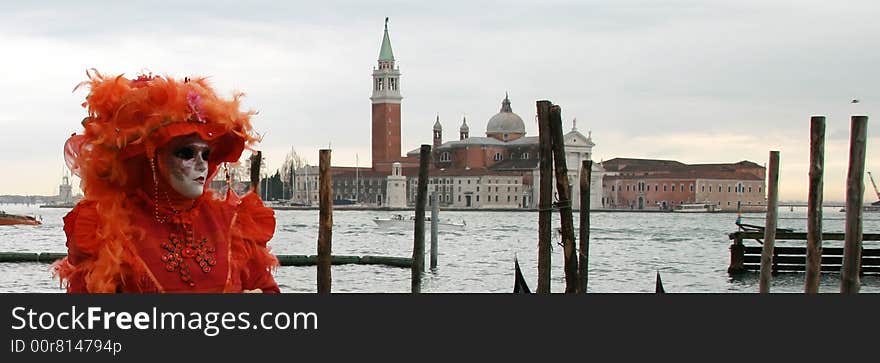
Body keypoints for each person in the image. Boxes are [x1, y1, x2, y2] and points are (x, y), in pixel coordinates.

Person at [53, 70, 280, 293]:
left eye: (206, 154)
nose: (202, 165)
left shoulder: (232, 223)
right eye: (186, 153)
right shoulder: (108, 228)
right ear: (153, 158)